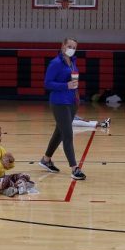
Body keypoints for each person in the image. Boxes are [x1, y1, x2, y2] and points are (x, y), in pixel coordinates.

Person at [39, 37, 86, 180]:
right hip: (59, 103)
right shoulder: (55, 63)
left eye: (74, 47)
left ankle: (46, 160)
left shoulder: (73, 62)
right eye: (69, 46)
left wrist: (76, 95)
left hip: (72, 102)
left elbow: (74, 82)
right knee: (68, 134)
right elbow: (47, 83)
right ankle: (74, 168)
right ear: (63, 46)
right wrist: (65, 86)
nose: (72, 49)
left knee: (59, 133)